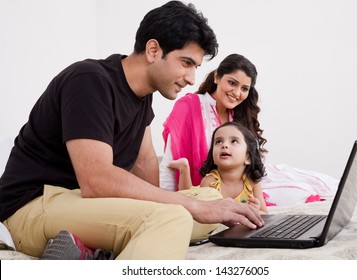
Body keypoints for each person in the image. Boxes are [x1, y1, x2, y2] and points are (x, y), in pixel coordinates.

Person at [0, 1, 264, 260]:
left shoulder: (141, 97)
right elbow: (96, 180)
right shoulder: (89, 81)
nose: (192, 78)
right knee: (173, 216)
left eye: (195, 67)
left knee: (210, 197)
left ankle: (98, 252)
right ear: (153, 50)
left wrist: (193, 204)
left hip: (82, 204)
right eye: (185, 63)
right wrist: (184, 207)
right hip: (33, 207)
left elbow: (145, 160)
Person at [160, 53, 267, 192]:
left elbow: (252, 166)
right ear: (217, 77)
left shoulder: (241, 117)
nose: (237, 93)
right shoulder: (188, 106)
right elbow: (170, 163)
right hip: (198, 194)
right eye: (232, 83)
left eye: (244, 89)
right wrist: (167, 199)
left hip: (236, 195)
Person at [171, 122, 268, 214]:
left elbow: (265, 213)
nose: (224, 145)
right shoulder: (209, 182)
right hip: (197, 196)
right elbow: (203, 213)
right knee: (186, 195)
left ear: (248, 157)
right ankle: (184, 167)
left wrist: (255, 210)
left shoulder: (252, 182)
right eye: (218, 142)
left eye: (233, 141)